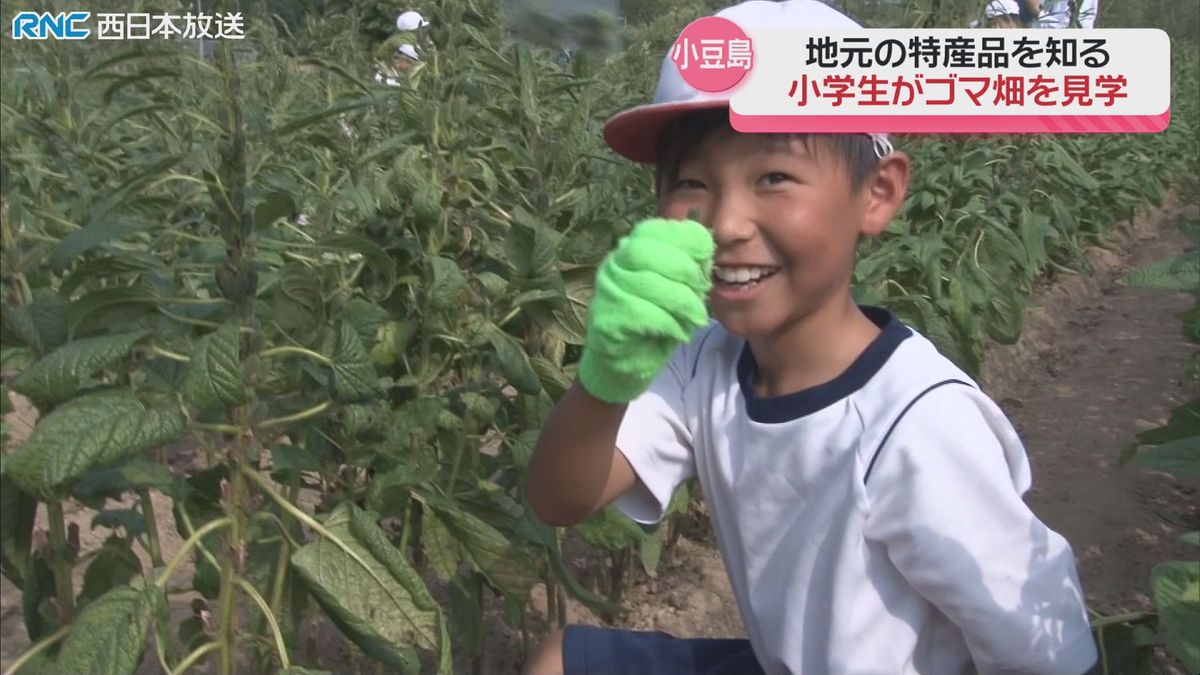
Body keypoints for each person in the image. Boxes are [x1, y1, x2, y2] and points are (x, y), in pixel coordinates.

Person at [522, 1, 1102, 674]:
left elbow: (1050, 652)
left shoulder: (918, 424)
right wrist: (607, 375)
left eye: (773, 177)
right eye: (691, 183)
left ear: (878, 192)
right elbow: (559, 499)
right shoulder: (702, 361)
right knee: (562, 659)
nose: (726, 222)